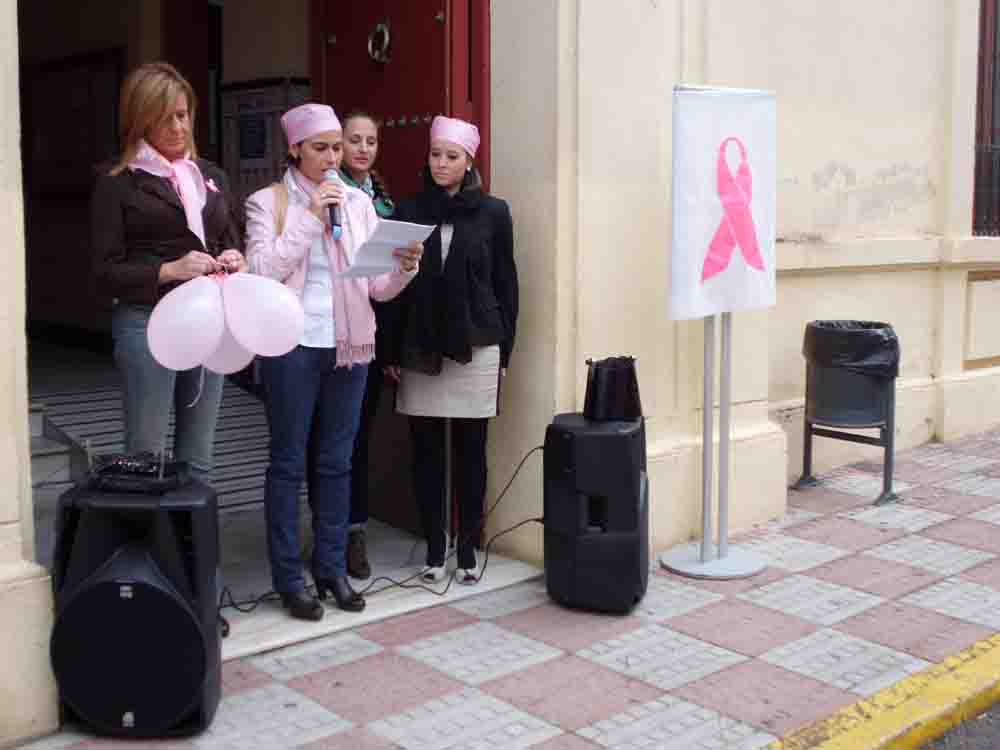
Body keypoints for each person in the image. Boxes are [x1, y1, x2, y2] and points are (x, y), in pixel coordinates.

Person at [244, 103, 421, 621]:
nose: (331, 158)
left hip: (350, 344)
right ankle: (287, 578)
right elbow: (261, 271)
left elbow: (376, 289)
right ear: (296, 148)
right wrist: (307, 219)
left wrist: (404, 269)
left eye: (336, 147)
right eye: (320, 147)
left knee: (337, 461)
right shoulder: (267, 203)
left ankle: (330, 567)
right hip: (291, 345)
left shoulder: (360, 205)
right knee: (287, 462)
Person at [92, 61, 246, 484]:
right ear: (140, 121)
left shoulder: (211, 175)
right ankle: (146, 548)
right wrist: (169, 269)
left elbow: (231, 239)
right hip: (146, 319)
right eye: (165, 119)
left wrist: (234, 258)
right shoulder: (117, 182)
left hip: (207, 317)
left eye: (183, 115)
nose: (179, 127)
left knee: (198, 456)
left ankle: (187, 548)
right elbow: (104, 271)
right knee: (146, 453)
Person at [388, 115, 518, 585]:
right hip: (421, 345)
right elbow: (393, 287)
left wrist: (505, 353)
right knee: (425, 451)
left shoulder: (494, 212)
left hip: (478, 342)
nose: (441, 164)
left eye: (451, 156)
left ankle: (467, 548)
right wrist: (391, 353)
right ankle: (434, 547)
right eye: (435, 155)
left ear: (470, 161)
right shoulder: (407, 210)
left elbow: (507, 283)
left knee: (471, 451)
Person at [307, 111, 394, 580]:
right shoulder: (320, 195)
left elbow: (384, 278)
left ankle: (351, 534)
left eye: (369, 141)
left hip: (366, 334)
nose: (360, 149)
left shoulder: (380, 200)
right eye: (351, 141)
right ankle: (325, 536)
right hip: (318, 334)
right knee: (319, 443)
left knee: (354, 442)